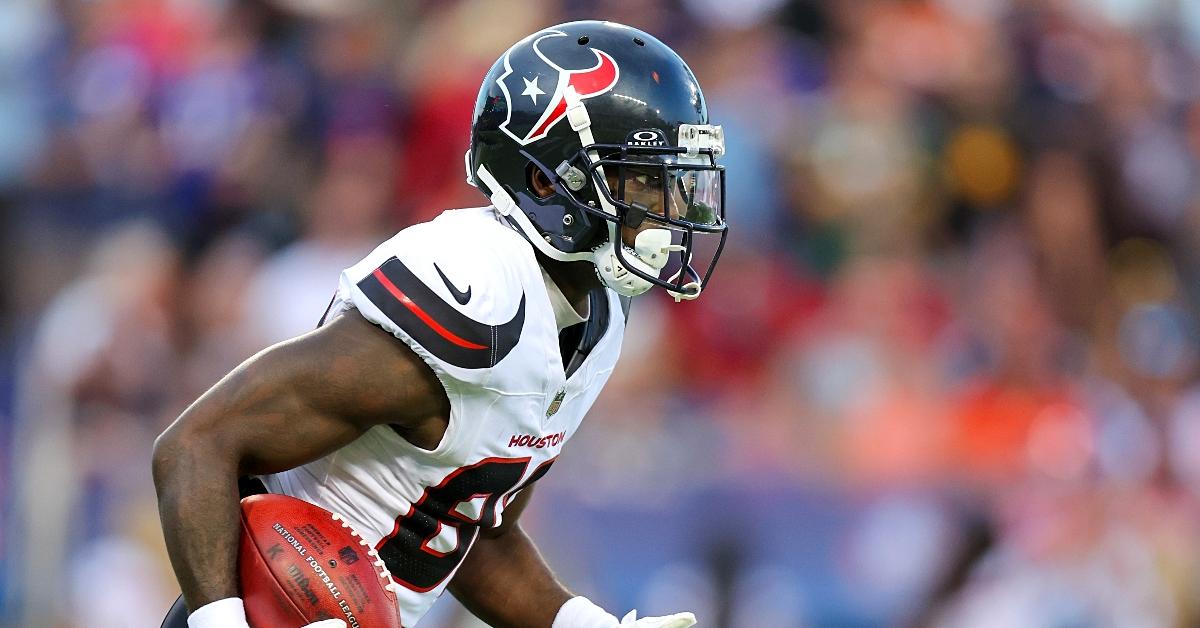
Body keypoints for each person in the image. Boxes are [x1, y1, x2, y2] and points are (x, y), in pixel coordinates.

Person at [153, 20, 727, 628]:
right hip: (271, 607)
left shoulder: (598, 316)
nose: (672, 207)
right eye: (641, 178)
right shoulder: (477, 288)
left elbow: (468, 532)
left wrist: (582, 624)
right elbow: (196, 445)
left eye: (674, 178)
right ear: (544, 180)